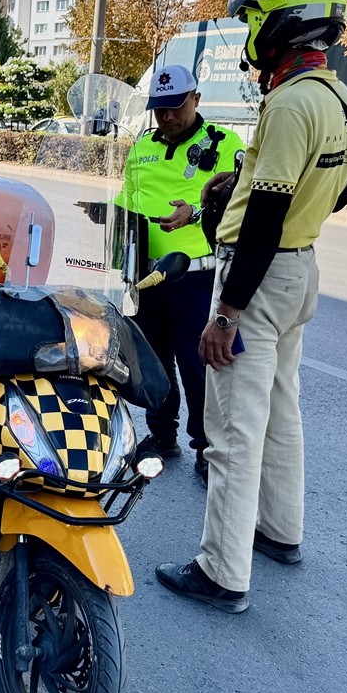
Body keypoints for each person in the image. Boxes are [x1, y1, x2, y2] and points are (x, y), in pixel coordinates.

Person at [156, 0, 347, 613]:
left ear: (280, 22)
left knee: (233, 429)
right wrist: (245, 171)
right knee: (282, 410)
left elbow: (267, 215)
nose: (250, 32)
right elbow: (340, 188)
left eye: (254, 18)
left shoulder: (290, 103)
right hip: (301, 271)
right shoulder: (337, 98)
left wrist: (228, 313)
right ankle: (280, 530)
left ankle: (221, 571)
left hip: (258, 277)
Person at [110, 64, 244, 483]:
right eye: (158, 109)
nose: (166, 117)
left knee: (198, 365)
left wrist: (196, 215)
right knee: (152, 361)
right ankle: (161, 433)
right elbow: (127, 199)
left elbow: (239, 202)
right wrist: (112, 230)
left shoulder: (224, 144)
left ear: (196, 100)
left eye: (175, 107)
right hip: (148, 277)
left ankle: (207, 447)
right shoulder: (142, 146)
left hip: (198, 278)